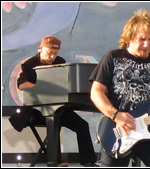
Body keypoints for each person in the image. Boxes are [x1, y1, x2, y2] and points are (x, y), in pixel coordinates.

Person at [89, 9, 150, 167]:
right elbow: (96, 92)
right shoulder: (112, 58)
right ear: (129, 37)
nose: (147, 44)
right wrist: (116, 115)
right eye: (142, 39)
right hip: (118, 131)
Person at [13, 35, 98, 167]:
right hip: (37, 110)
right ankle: (55, 162)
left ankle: (89, 162)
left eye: (55, 53)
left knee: (82, 126)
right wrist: (41, 86)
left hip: (60, 107)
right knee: (54, 122)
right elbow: (21, 84)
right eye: (49, 53)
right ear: (40, 49)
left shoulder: (60, 61)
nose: (52, 57)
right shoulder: (30, 64)